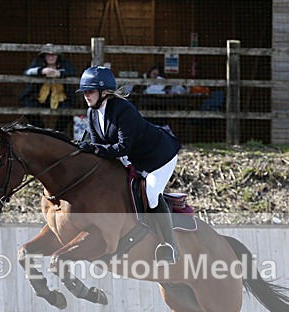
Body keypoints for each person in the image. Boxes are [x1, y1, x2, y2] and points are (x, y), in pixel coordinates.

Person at [76, 65, 182, 264]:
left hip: (159, 157)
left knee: (151, 193)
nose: (86, 96)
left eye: (90, 91)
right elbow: (98, 145)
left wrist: (95, 149)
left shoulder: (123, 110)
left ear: (104, 92)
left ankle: (170, 246)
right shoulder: (92, 113)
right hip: (134, 158)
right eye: (84, 92)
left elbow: (122, 147)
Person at [19, 43, 77, 133]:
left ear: (58, 56)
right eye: (48, 55)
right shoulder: (38, 63)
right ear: (44, 56)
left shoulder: (64, 64)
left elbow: (73, 72)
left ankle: (58, 131)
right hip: (40, 98)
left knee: (69, 109)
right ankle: (40, 129)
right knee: (28, 106)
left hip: (60, 98)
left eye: (53, 55)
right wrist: (41, 71)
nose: (51, 57)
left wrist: (59, 73)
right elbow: (27, 72)